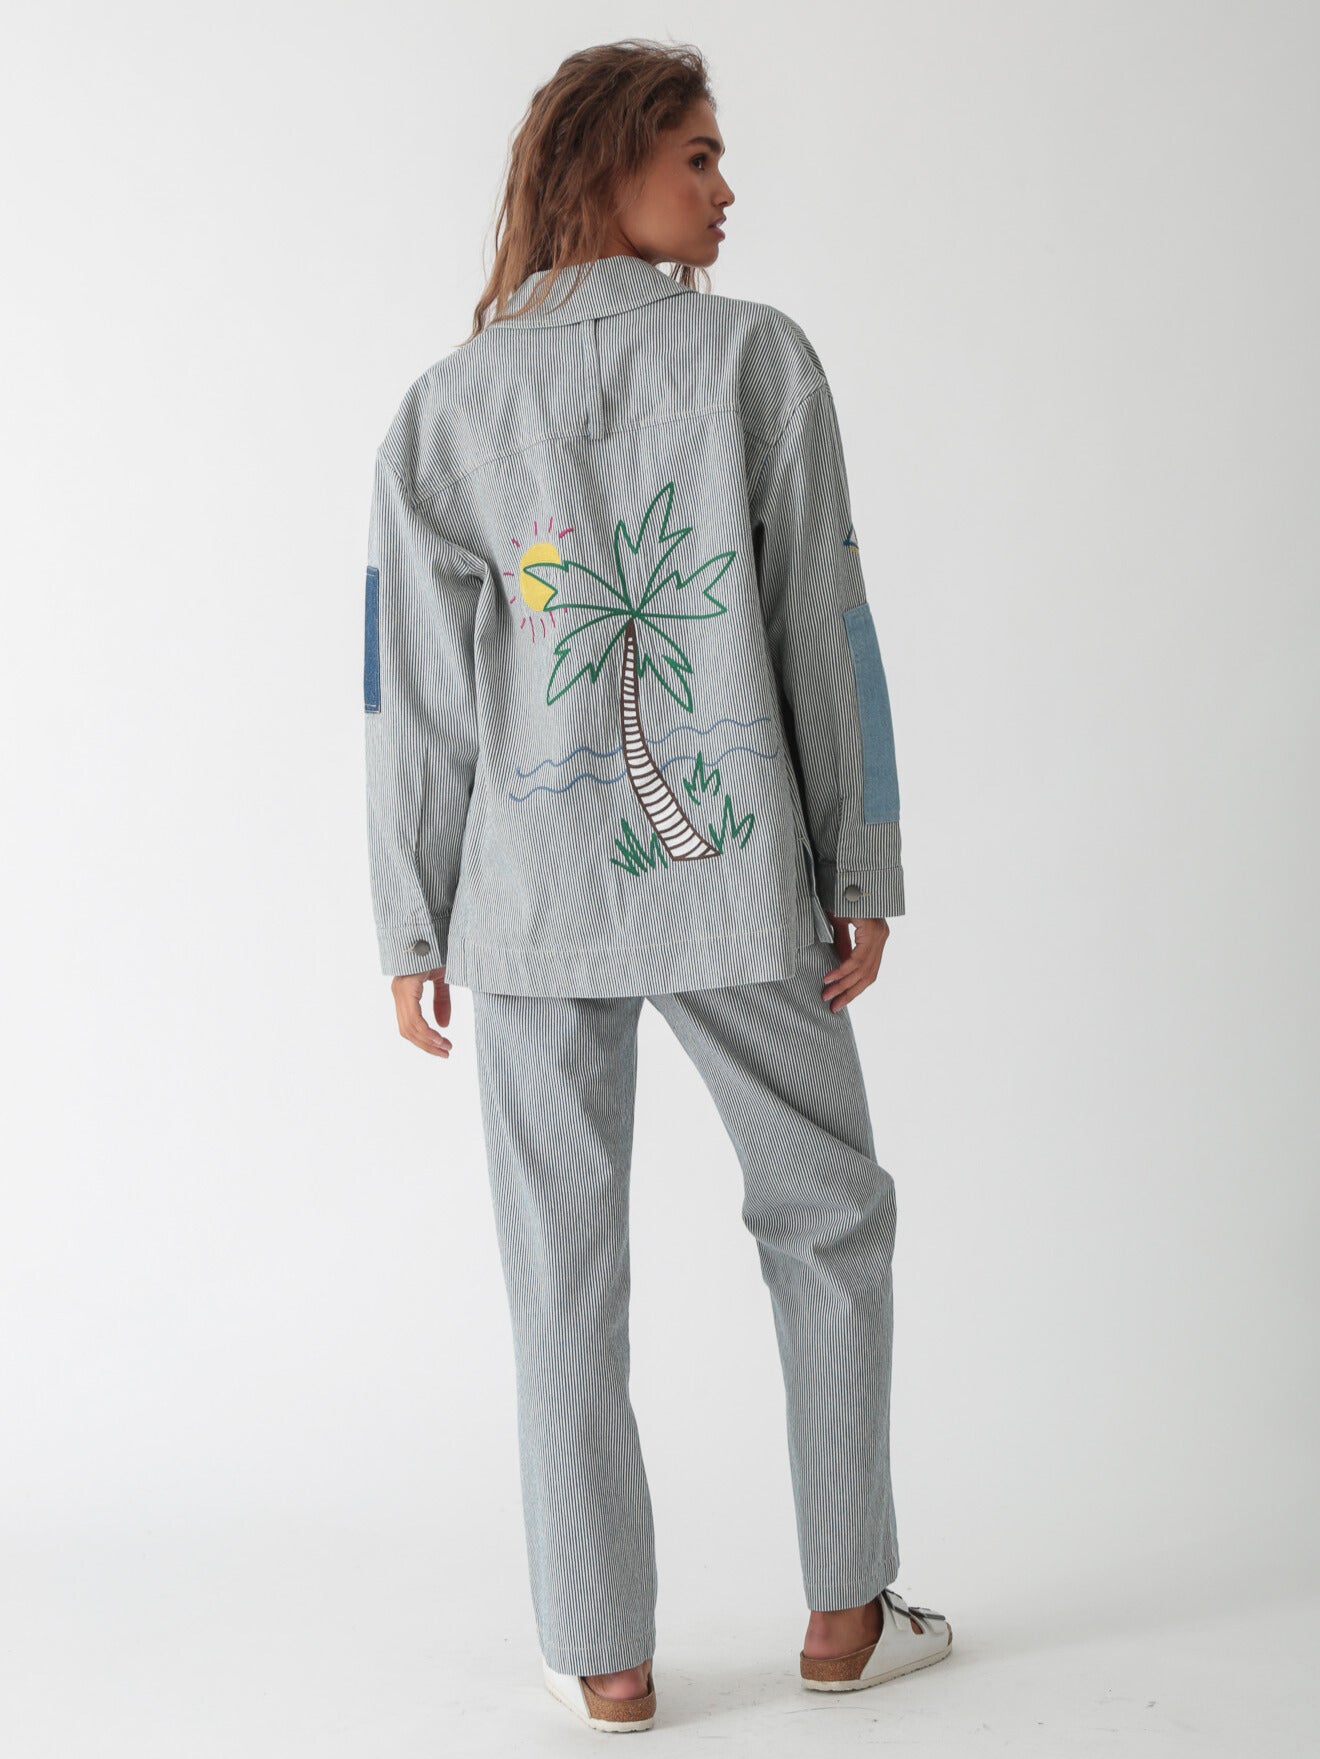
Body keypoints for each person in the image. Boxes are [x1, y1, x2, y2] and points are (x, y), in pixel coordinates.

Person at [362, 37, 953, 1735]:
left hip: (526, 909)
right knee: (828, 1212)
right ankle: (846, 1612)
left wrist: (412, 918)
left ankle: (603, 1655)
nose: (726, 188)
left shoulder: (445, 409)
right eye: (698, 155)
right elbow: (825, 626)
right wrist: (859, 856)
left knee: (560, 1270)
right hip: (737, 877)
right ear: (606, 165)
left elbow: (413, 699)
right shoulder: (757, 359)